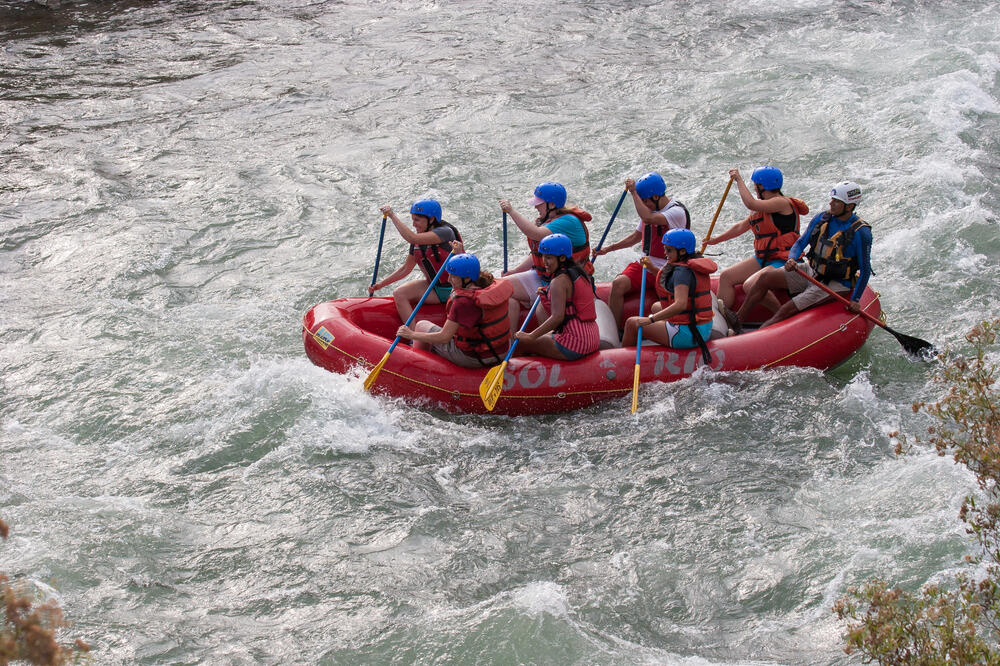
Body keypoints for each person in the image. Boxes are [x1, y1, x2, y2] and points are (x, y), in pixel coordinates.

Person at [734, 181, 872, 329]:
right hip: (811, 271)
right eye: (832, 199)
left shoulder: (861, 232)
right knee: (764, 278)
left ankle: (758, 337)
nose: (831, 203)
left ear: (849, 206)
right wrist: (792, 258)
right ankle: (736, 322)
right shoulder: (822, 218)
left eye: (837, 202)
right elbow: (800, 243)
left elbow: (865, 269)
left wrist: (856, 299)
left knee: (786, 309)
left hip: (835, 284)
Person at [702, 166, 809, 325]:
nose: (754, 188)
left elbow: (750, 203)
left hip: (784, 260)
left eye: (755, 185)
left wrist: (738, 180)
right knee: (726, 276)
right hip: (764, 258)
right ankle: (721, 320)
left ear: (760, 186)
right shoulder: (762, 207)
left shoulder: (781, 203)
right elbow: (740, 227)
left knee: (750, 284)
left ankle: (782, 315)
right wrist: (716, 240)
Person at [592, 172, 690, 329]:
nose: (644, 205)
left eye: (646, 201)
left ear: (656, 197)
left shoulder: (676, 212)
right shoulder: (649, 210)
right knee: (618, 284)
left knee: (669, 302)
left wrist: (633, 193)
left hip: (669, 268)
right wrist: (608, 249)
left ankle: (673, 329)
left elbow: (649, 219)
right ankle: (614, 332)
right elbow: (635, 237)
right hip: (645, 265)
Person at [396, 248, 514, 368]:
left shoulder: (463, 302)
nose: (448, 280)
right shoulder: (488, 285)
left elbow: (444, 337)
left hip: (474, 357)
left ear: (467, 278)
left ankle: (417, 368)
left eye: (453, 276)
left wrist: (411, 334)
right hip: (502, 352)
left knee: (421, 326)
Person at [499, 182, 594, 326]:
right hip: (545, 277)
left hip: (569, 281)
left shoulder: (569, 222)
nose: (536, 206)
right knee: (504, 289)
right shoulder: (548, 221)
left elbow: (534, 233)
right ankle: (510, 343)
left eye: (539, 203)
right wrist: (515, 271)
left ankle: (552, 341)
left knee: (542, 309)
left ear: (552, 205)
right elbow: (539, 255)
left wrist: (511, 211)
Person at [622, 229, 717, 350]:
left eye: (669, 250)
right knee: (656, 306)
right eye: (665, 248)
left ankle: (624, 360)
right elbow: (669, 281)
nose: (665, 252)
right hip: (703, 327)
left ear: (682, 251)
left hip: (688, 334)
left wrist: (650, 320)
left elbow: (680, 305)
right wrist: (651, 267)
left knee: (632, 323)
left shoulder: (681, 273)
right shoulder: (689, 264)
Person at [369, 199, 462, 322]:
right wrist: (381, 284)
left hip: (454, 288)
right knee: (399, 293)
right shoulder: (418, 241)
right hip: (434, 288)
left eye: (417, 220)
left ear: (432, 219)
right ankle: (412, 337)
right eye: (412, 219)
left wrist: (392, 215)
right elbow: (405, 269)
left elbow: (411, 237)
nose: (413, 224)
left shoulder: (445, 233)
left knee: (402, 294)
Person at [514, 234, 600, 360]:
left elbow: (557, 318)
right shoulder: (580, 273)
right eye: (543, 256)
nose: (544, 261)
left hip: (574, 344)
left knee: (520, 343)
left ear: (562, 258)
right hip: (592, 338)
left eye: (549, 257)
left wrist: (531, 336)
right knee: (543, 338)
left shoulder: (558, 281)